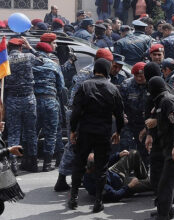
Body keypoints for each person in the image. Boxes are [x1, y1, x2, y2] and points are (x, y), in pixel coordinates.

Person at [68, 58, 124, 213]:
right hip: (103, 133)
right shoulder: (113, 88)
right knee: (101, 168)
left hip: (85, 132)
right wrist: (118, 132)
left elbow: (76, 112)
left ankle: (73, 198)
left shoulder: (85, 86)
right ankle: (98, 201)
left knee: (79, 164)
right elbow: (120, 115)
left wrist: (73, 131)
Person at [54, 49, 114, 192]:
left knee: (77, 144)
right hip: (82, 113)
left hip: (75, 111)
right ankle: (62, 179)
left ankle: (73, 177)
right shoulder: (98, 73)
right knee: (77, 145)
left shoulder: (84, 71)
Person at [147, 76, 174, 220]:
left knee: (166, 184)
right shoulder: (160, 101)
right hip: (171, 146)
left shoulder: (167, 100)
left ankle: (163, 216)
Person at [5, 38, 43, 173]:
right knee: (31, 132)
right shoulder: (28, 56)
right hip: (29, 99)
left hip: (13, 99)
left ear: (9, 48)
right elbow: (42, 60)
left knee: (14, 133)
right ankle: (33, 162)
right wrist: (30, 47)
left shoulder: (5, 60)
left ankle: (14, 164)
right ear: (21, 48)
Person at [33, 41, 64, 172]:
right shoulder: (53, 65)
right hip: (50, 101)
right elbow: (61, 86)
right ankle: (47, 164)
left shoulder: (30, 63)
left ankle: (32, 162)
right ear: (48, 52)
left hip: (34, 101)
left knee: (33, 132)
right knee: (51, 133)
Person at [84, 150, 152, 202]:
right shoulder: (99, 184)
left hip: (114, 173)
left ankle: (143, 178)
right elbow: (115, 195)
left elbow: (106, 163)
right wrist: (129, 186)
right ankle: (149, 183)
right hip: (120, 186)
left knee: (134, 153)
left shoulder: (94, 168)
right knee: (152, 181)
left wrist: (118, 155)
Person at [120, 62, 148, 166]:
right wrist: (122, 116)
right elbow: (119, 104)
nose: (139, 78)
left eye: (141, 76)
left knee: (145, 149)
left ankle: (143, 173)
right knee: (125, 147)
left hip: (145, 123)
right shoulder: (126, 85)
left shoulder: (152, 84)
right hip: (129, 122)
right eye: (136, 76)